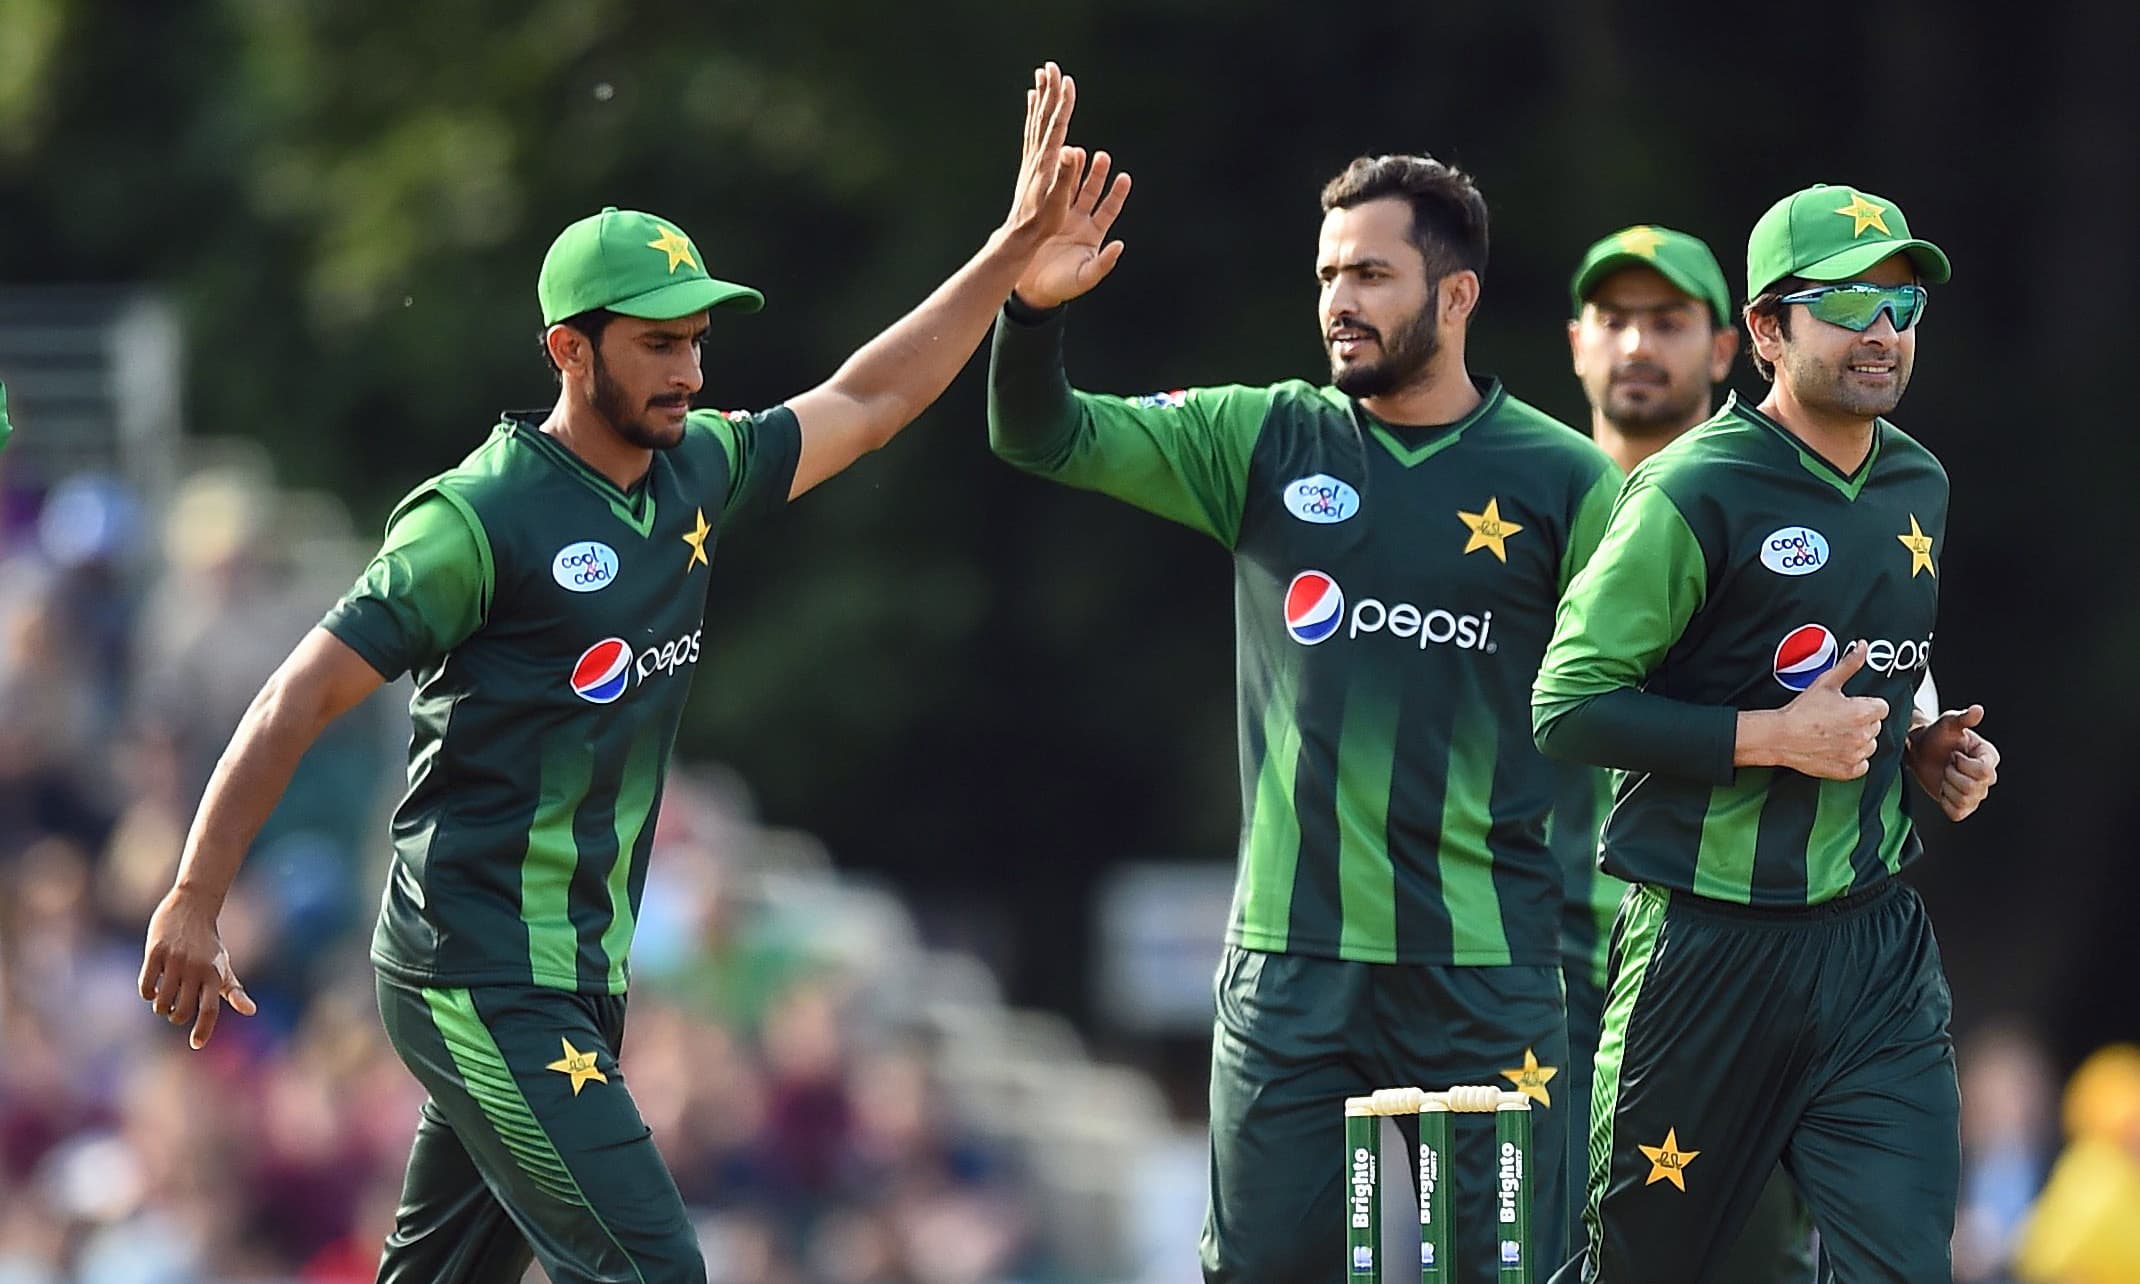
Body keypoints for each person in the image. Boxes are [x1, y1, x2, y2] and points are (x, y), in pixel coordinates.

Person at [136, 62, 1101, 1284]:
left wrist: (1010, 253)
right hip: (474, 967)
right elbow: (296, 700)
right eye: (658, 345)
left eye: (696, 341)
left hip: (576, 979)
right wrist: (194, 895)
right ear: (568, 351)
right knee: (658, 1271)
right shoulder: (475, 521)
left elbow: (868, 398)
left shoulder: (695, 469)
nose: (690, 372)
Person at [989, 151, 1620, 1283]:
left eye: (1371, 274)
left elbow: (1671, 668)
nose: (1338, 303)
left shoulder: (1565, 482)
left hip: (1482, 973)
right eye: (1328, 275)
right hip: (1292, 970)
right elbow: (1042, 434)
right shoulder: (1266, 437)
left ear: (1456, 293)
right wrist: (1032, 313)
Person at [1534, 184, 2002, 1283]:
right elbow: (1566, 705)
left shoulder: (1915, 480)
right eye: (1845, 300)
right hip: (1707, 953)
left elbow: (1876, 658)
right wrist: (1774, 741)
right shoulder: (1693, 491)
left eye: (1901, 304)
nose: (1881, 330)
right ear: (1764, 330)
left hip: (1874, 952)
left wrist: (1922, 749)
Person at [1557, 223, 1816, 1282]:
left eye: (1667, 323)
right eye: (1614, 321)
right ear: (1576, 342)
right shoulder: (1517, 503)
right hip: (1524, 969)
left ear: (1725, 348)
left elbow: (1886, 706)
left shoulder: (1792, 508)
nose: (1636, 346)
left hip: (1722, 967)